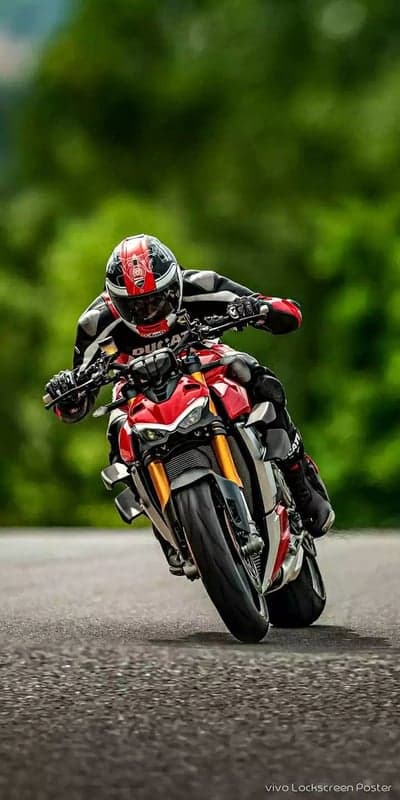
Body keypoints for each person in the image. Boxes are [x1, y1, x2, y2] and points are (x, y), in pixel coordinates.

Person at [45, 234, 334, 542]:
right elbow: (74, 406)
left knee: (251, 373)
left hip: (202, 362)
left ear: (175, 283)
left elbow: (288, 313)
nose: (148, 311)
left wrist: (258, 309)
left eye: (158, 299)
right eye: (135, 306)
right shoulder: (94, 323)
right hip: (136, 387)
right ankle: (159, 521)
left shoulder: (202, 285)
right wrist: (70, 387)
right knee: (117, 429)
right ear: (115, 301)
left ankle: (297, 475)